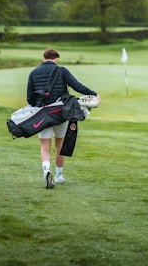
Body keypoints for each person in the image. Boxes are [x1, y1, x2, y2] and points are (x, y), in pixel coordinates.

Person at [27, 48, 100, 188]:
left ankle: (46, 171)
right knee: (59, 144)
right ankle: (59, 175)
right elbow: (77, 86)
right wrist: (93, 94)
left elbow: (30, 97)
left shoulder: (33, 73)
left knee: (44, 146)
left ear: (43, 58)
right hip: (60, 113)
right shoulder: (62, 70)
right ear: (56, 59)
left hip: (42, 114)